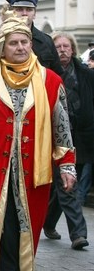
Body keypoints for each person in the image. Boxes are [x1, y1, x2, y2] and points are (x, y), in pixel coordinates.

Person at [0, 12, 77, 270]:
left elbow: (62, 127)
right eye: (13, 43)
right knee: (2, 231)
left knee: (27, 231)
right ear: (2, 47)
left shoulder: (51, 81)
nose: (20, 47)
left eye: (25, 42)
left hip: (35, 175)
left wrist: (67, 165)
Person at [42, 32, 91, 249]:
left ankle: (48, 221)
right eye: (58, 46)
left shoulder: (85, 74)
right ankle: (78, 234)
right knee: (67, 186)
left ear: (72, 49)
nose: (62, 50)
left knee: (68, 183)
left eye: (66, 46)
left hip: (82, 136)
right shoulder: (47, 75)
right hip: (57, 137)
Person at [0, 0, 63, 76]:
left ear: (34, 14)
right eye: (19, 9)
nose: (24, 13)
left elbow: (57, 74)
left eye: (29, 9)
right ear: (12, 12)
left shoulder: (46, 41)